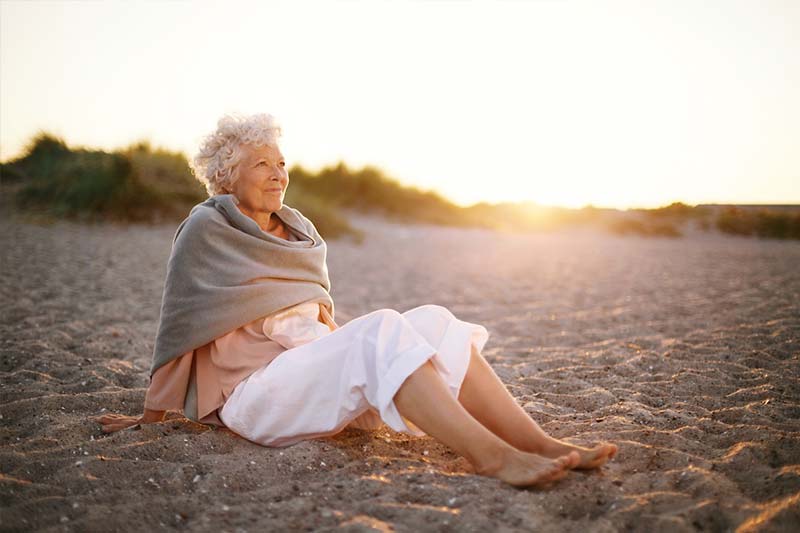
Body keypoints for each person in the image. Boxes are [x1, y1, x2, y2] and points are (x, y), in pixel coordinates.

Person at [96, 113, 617, 488]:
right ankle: (492, 456)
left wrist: (355, 359)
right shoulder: (207, 227)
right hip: (256, 398)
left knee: (433, 319)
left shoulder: (297, 231)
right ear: (226, 175)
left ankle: (541, 444)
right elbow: (179, 321)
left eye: (281, 163)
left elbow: (311, 328)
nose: (278, 173)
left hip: (307, 379)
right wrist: (152, 416)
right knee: (382, 326)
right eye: (261, 164)